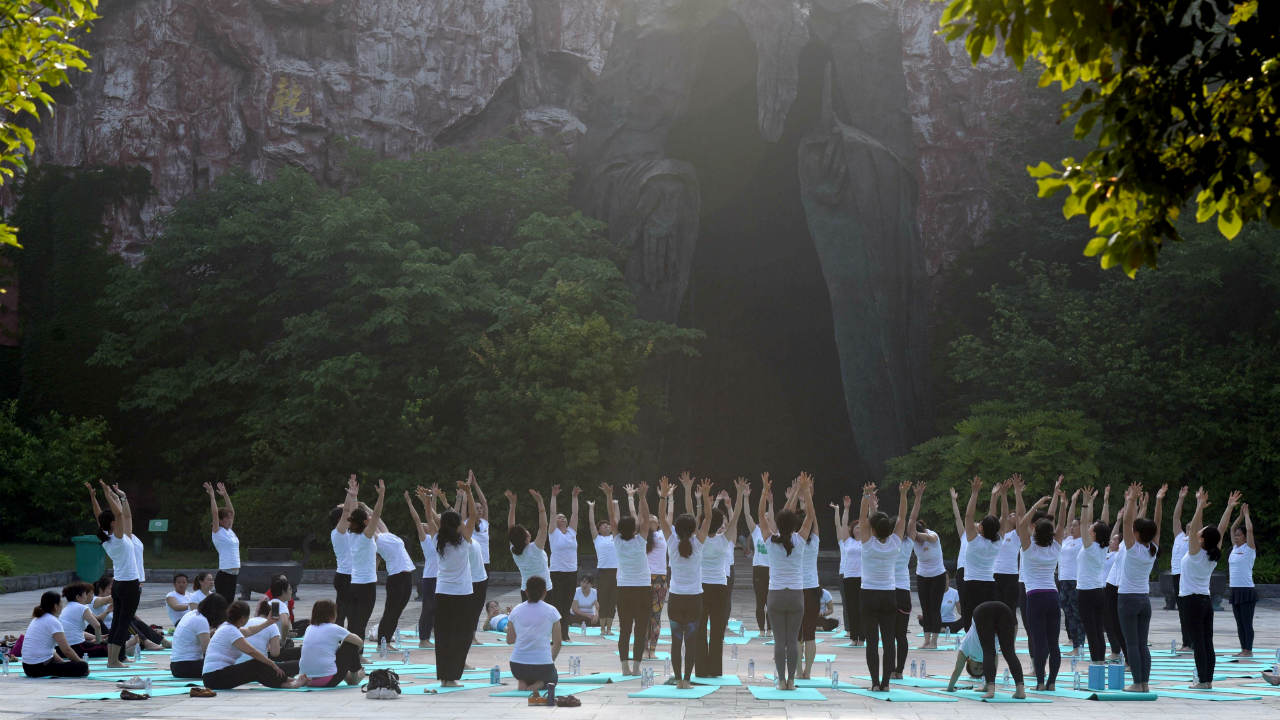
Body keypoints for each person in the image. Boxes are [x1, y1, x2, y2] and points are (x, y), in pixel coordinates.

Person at [758, 473, 817, 691]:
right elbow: (810, 515)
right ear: (794, 524)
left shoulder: (771, 541)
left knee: (779, 641)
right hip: (795, 595)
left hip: (775, 595)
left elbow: (761, 516)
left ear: (778, 524)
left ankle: (781, 681)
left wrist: (765, 491)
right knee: (792, 640)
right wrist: (806, 492)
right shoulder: (801, 540)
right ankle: (791, 681)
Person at [659, 475, 712, 689]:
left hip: (676, 599)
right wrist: (706, 496)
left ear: (677, 529)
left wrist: (664, 495)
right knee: (690, 641)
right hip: (694, 600)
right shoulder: (698, 543)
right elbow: (707, 518)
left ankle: (678, 677)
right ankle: (686, 680)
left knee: (675, 641)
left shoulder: (671, 541)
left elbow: (662, 518)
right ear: (692, 529)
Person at [856, 480, 910, 692]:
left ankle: (875, 683)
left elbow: (862, 519)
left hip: (869, 594)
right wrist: (903, 495)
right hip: (889, 595)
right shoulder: (896, 543)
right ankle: (886, 683)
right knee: (889, 641)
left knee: (872, 641)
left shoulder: (868, 544)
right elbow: (903, 517)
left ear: (873, 529)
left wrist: (866, 496)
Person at [424, 481, 477, 686]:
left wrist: (429, 500)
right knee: (462, 636)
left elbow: (429, 517)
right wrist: (469, 492)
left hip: (443, 593)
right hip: (462, 594)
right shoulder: (464, 541)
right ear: (457, 525)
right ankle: (452, 676)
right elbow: (473, 516)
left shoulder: (438, 539)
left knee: (444, 636)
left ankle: (445, 678)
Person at [1117, 482, 1165, 692]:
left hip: (1128, 599)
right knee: (1142, 644)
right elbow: (1158, 522)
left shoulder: (1133, 548)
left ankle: (1137, 683)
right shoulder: (1152, 548)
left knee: (1133, 644)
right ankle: (1144, 683)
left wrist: (1131, 500)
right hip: (1144, 600)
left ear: (1136, 533)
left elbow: (1127, 522)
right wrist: (1159, 501)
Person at [695, 477, 744, 678]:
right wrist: (739, 494)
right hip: (719, 588)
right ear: (720, 524)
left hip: (701, 588)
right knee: (717, 631)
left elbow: (701, 516)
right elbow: (737, 516)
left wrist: (705, 499)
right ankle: (714, 670)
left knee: (700, 630)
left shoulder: (699, 538)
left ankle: (701, 669)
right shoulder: (725, 540)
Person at [602, 481, 652, 676]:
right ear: (635, 529)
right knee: (640, 629)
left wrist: (608, 496)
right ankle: (637, 666)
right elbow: (646, 518)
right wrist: (642, 496)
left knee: (625, 629)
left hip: (623, 589)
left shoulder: (617, 541)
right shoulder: (641, 540)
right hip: (642, 589)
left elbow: (611, 519)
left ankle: (625, 666)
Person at [1017, 487, 1064, 691]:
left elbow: (1020, 524)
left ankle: (1039, 682)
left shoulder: (1029, 548)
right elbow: (1061, 523)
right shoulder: (1055, 547)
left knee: (1039, 642)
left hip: (1035, 597)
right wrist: (1063, 503)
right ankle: (1051, 682)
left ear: (1035, 530)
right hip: (1053, 596)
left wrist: (1036, 505)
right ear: (1052, 533)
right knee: (1053, 642)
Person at [91, 480, 141, 668]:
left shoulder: (107, 538)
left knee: (119, 620)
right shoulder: (118, 539)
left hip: (120, 584)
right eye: (115, 520)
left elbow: (101, 516)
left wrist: (94, 497)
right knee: (123, 622)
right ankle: (112, 660)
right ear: (112, 523)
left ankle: (117, 657)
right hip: (128, 585)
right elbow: (119, 514)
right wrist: (107, 493)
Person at [507, 575, 578, 706]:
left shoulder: (516, 610)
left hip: (517, 666)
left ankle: (523, 681)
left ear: (526, 592)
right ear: (545, 592)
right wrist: (549, 663)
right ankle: (538, 684)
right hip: (542, 666)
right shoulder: (552, 611)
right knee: (553, 677)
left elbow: (510, 640)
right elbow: (558, 643)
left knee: (527, 672)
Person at [201, 600, 296, 689]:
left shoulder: (227, 626)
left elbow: (249, 630)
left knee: (257, 665)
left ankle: (285, 681)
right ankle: (285, 682)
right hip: (215, 678)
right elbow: (252, 651)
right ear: (242, 619)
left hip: (212, 677)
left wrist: (268, 622)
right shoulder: (231, 630)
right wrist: (272, 664)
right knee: (257, 664)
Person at [1179, 487, 1220, 689]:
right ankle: (1207, 679)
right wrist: (1228, 508)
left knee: (1199, 643)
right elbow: (1218, 530)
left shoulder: (1196, 553)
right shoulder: (1212, 554)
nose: (1198, 532)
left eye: (1201, 533)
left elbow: (1196, 525)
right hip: (1205, 600)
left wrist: (1198, 506)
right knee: (1207, 642)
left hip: (1191, 601)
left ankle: (1203, 681)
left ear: (1202, 539)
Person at [942, 601, 1026, 699]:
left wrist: (950, 688)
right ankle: (1020, 690)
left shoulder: (965, 649)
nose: (979, 666)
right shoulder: (987, 661)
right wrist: (986, 685)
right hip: (1003, 609)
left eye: (975, 668)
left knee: (989, 651)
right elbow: (993, 667)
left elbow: (957, 670)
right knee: (1008, 652)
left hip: (983, 611)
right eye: (981, 669)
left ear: (968, 661)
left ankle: (991, 691)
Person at [907, 483, 947, 650]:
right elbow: (911, 521)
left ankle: (935, 642)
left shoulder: (932, 535)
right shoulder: (913, 538)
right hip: (922, 575)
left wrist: (918, 535)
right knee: (925, 608)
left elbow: (929, 539)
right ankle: (926, 639)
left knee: (935, 608)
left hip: (937, 575)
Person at [960, 477, 1002, 632]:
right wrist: (994, 497)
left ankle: (972, 654)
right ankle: (988, 652)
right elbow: (993, 519)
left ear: (982, 529)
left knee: (970, 624)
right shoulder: (997, 543)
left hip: (972, 585)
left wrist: (975, 492)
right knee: (987, 623)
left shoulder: (974, 541)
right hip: (989, 585)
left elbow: (968, 516)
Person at [1218, 491, 1256, 658]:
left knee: (1247, 622)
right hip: (1235, 589)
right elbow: (1232, 528)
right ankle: (1243, 649)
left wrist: (1247, 515)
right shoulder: (1234, 548)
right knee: (1239, 623)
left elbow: (1249, 529)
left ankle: (1248, 649)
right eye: (1236, 536)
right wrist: (1239, 516)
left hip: (1247, 590)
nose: (1236, 536)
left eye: (1239, 535)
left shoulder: (1249, 549)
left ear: (1245, 538)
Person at [890, 482, 922, 678]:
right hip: (902, 592)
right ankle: (899, 671)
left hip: (889, 591)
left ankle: (890, 670)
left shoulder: (889, 542)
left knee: (889, 635)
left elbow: (905, 519)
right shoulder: (908, 541)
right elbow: (911, 518)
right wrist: (916, 497)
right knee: (900, 635)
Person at [1075, 487, 1110, 664]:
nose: (1089, 527)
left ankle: (1096, 660)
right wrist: (1098, 502)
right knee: (1097, 627)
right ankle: (1100, 659)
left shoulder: (1090, 547)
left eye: (1092, 528)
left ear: (1094, 533)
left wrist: (1085, 503)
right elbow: (1104, 523)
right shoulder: (1102, 546)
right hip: (1098, 590)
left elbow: (1082, 523)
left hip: (1087, 591)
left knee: (1091, 628)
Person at [346, 478, 384, 641]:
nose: (370, 518)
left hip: (353, 584)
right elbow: (377, 514)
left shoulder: (350, 535)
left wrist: (354, 496)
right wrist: (381, 495)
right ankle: (356, 657)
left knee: (354, 622)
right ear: (365, 522)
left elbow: (354, 514)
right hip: (366, 586)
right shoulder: (366, 536)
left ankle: (350, 655)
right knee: (360, 623)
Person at [296, 599, 365, 687]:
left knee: (332, 653)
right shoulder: (333, 628)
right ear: (332, 614)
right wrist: (355, 653)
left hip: (306, 679)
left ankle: (349, 676)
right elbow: (359, 641)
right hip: (327, 680)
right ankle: (355, 676)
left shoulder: (309, 628)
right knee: (350, 645)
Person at [20, 591, 89, 678]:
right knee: (82, 667)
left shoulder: (37, 619)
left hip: (27, 667)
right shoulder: (52, 621)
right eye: (60, 604)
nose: (62, 606)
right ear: (55, 606)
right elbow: (66, 650)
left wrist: (62, 663)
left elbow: (51, 650)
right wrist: (80, 662)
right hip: (38, 668)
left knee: (69, 664)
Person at [374, 513, 416, 647]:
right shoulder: (374, 539)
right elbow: (373, 518)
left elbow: (378, 517)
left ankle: (387, 639)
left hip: (406, 574)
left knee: (398, 611)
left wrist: (364, 506)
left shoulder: (387, 535)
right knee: (391, 611)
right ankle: (382, 641)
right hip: (396, 577)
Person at [796, 475, 824, 680]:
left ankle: (798, 672)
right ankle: (808, 672)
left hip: (797, 589)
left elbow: (802, 519)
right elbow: (812, 518)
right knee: (810, 634)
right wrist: (808, 494)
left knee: (797, 635)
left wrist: (802, 493)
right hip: (812, 589)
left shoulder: (792, 542)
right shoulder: (813, 540)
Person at [547, 484, 581, 642]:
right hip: (557, 572)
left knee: (566, 605)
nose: (562, 518)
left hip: (571, 572)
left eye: (564, 517)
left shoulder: (572, 532)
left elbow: (575, 513)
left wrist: (574, 497)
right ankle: (555, 635)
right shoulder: (553, 533)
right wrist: (554, 496)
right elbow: (552, 512)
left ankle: (565, 634)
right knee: (556, 604)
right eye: (559, 517)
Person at [506, 488, 552, 601]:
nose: (527, 531)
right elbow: (543, 526)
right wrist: (540, 503)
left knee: (528, 619)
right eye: (525, 531)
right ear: (526, 539)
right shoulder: (535, 548)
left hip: (526, 591)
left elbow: (511, 528)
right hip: (544, 591)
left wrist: (512, 505)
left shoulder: (514, 550)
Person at [407, 486, 439, 647]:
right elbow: (418, 519)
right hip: (429, 577)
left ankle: (431, 635)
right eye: (425, 524)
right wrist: (409, 502)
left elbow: (432, 515)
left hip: (441, 578)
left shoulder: (438, 538)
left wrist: (432, 498)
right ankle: (423, 639)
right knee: (428, 608)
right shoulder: (425, 539)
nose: (427, 524)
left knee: (437, 609)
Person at [170, 594, 228, 678]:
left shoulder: (192, 614)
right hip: (186, 665)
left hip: (176, 665)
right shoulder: (201, 620)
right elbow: (208, 651)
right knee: (226, 665)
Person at [744, 475, 773, 637]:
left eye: (769, 518)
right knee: (760, 601)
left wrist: (770, 503)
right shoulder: (756, 531)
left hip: (771, 569)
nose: (767, 519)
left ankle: (770, 629)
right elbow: (748, 515)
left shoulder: (774, 532)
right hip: (758, 569)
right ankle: (762, 630)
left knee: (771, 602)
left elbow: (772, 516)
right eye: (765, 517)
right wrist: (746, 498)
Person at [1056, 487, 1084, 655]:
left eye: (1075, 526)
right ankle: (1074, 643)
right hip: (1063, 580)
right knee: (1068, 614)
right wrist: (1071, 502)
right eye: (1071, 526)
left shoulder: (1083, 542)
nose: (1071, 528)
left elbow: (1077, 521)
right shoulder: (1066, 540)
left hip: (1075, 580)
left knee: (1077, 614)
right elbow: (1066, 522)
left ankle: (1079, 645)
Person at [329, 475, 358, 627]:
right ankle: (338, 640)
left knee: (352, 612)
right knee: (341, 613)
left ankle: (349, 640)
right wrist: (350, 493)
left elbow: (353, 513)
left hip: (350, 576)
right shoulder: (338, 533)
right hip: (344, 577)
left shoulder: (347, 533)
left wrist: (354, 496)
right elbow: (347, 511)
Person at [204, 482, 241, 603]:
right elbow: (214, 513)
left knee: (229, 604)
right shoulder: (217, 532)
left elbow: (232, 511)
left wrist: (225, 495)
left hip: (233, 575)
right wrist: (212, 496)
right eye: (227, 518)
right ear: (220, 520)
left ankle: (224, 622)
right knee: (223, 605)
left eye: (230, 518)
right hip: (225, 575)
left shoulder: (230, 531)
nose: (230, 520)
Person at [587, 494, 618, 636]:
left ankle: (610, 628)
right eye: (604, 526)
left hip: (616, 572)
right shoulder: (597, 538)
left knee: (612, 600)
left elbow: (616, 520)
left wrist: (615, 505)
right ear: (599, 530)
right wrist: (591, 508)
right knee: (602, 600)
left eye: (608, 525)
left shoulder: (615, 537)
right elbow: (591, 524)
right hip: (603, 572)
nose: (607, 526)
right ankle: (602, 628)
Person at [834, 494, 862, 645]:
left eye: (860, 528)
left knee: (861, 608)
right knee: (851, 607)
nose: (857, 530)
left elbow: (869, 521)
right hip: (849, 577)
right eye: (856, 528)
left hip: (863, 578)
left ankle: (862, 638)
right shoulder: (848, 541)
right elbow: (843, 525)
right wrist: (846, 509)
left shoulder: (866, 541)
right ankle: (853, 637)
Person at [1168, 485, 1192, 652]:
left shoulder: (1196, 540)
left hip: (1187, 577)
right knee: (1182, 611)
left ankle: (1190, 642)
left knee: (1188, 610)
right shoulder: (1180, 536)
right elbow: (1176, 518)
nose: (1190, 527)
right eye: (1188, 526)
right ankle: (1187, 642)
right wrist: (1181, 498)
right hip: (1176, 575)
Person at [59, 583, 107, 658]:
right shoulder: (82, 607)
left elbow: (76, 631)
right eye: (85, 594)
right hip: (77, 647)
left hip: (62, 649)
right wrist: (98, 641)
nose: (87, 596)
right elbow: (97, 625)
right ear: (78, 597)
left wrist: (95, 637)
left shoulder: (66, 608)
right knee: (107, 648)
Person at [947, 486, 969, 628]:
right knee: (966, 604)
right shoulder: (965, 536)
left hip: (974, 574)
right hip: (962, 572)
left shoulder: (984, 539)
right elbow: (958, 518)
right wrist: (954, 500)